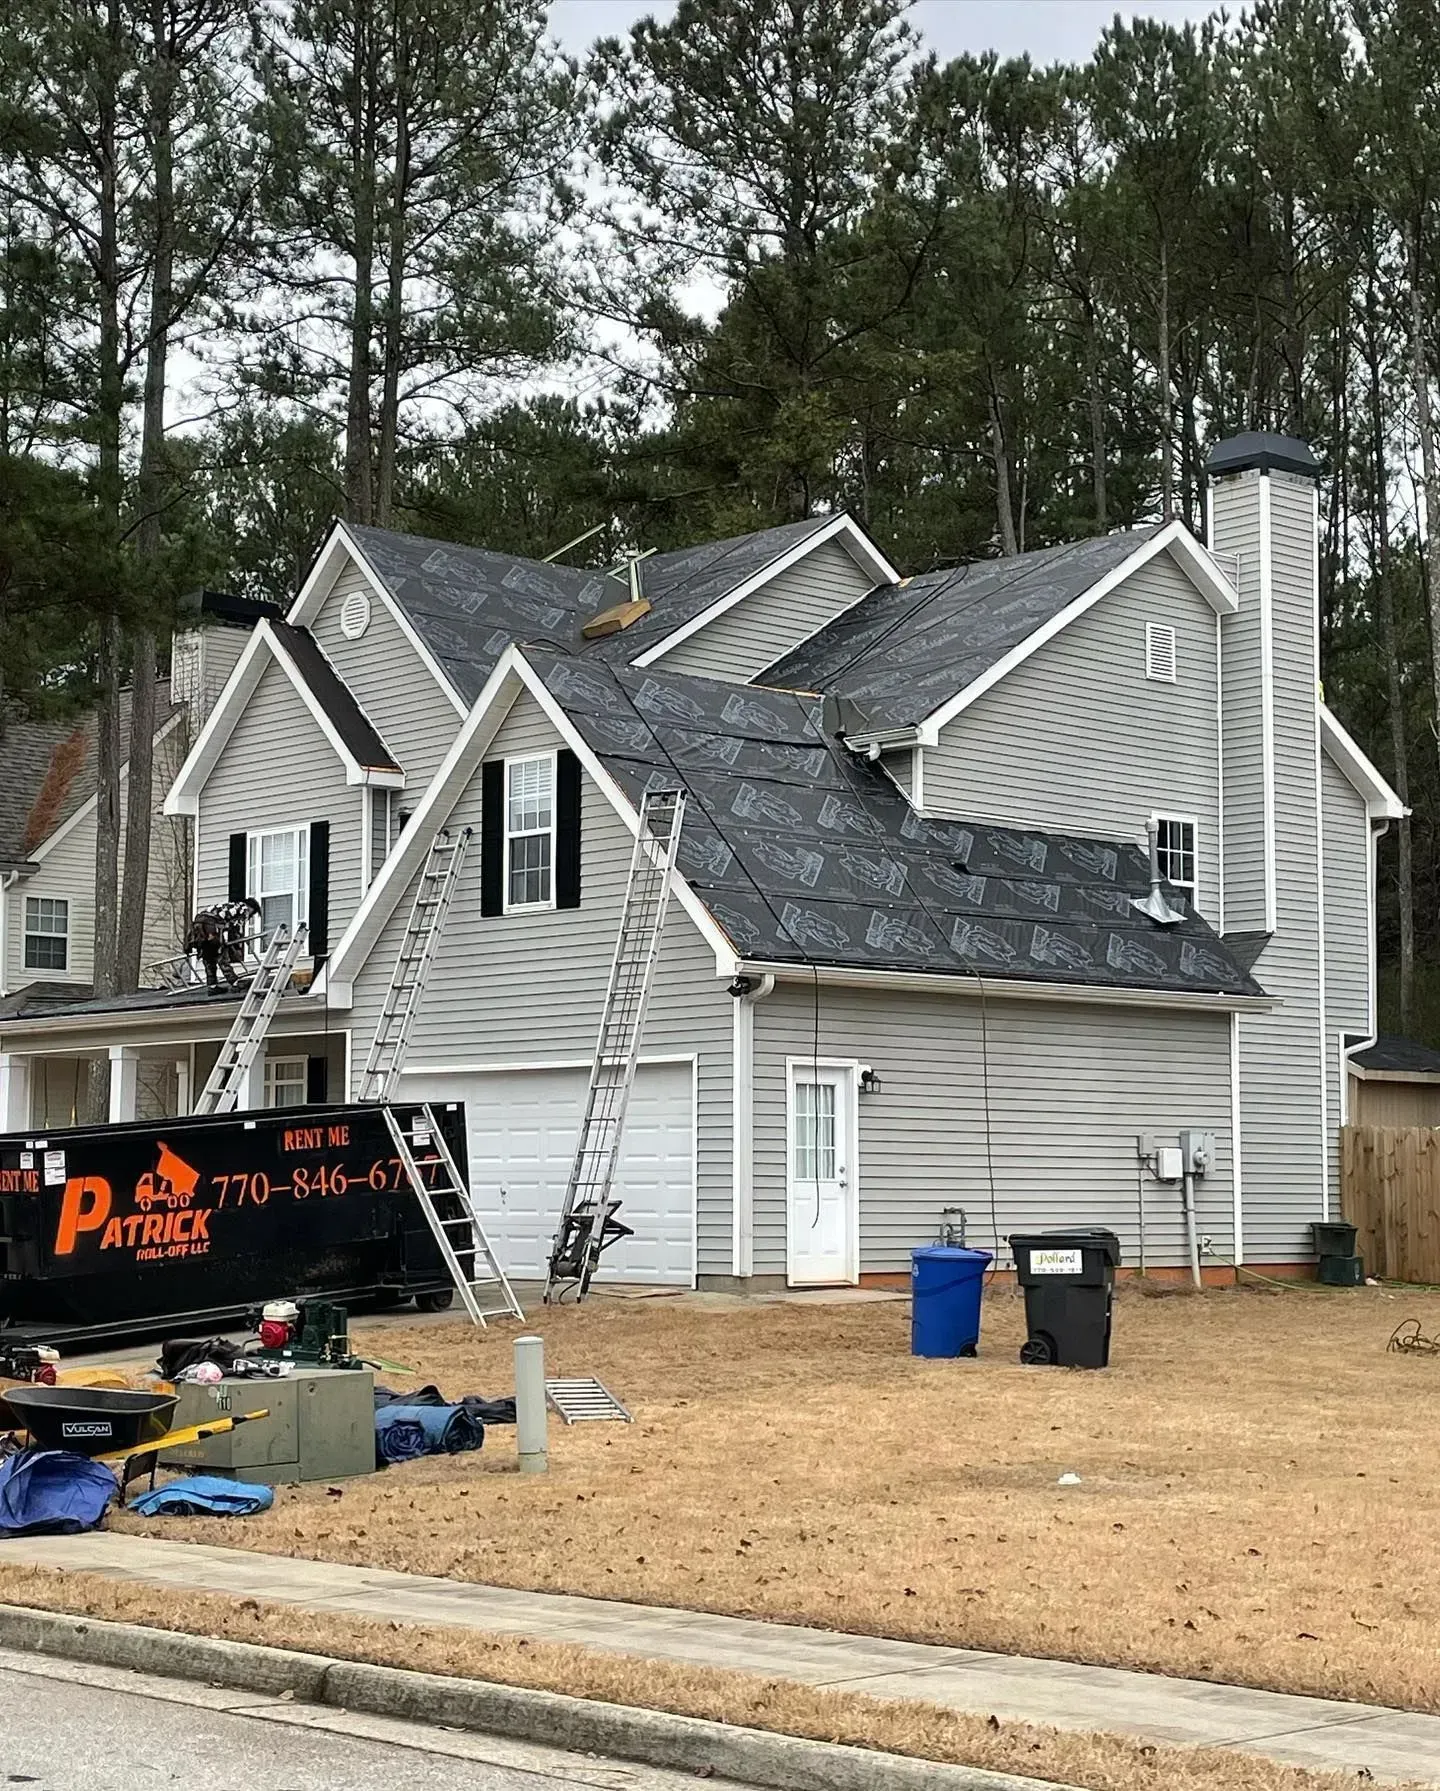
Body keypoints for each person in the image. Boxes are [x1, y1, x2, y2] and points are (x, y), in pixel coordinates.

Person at [185, 897, 260, 992]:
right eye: (253, 913)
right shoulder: (243, 908)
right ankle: (235, 983)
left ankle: (212, 987)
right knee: (222, 955)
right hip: (212, 926)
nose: (251, 915)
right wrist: (236, 946)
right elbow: (236, 928)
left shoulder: (227, 906)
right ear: (252, 907)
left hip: (199, 926)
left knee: (208, 957)